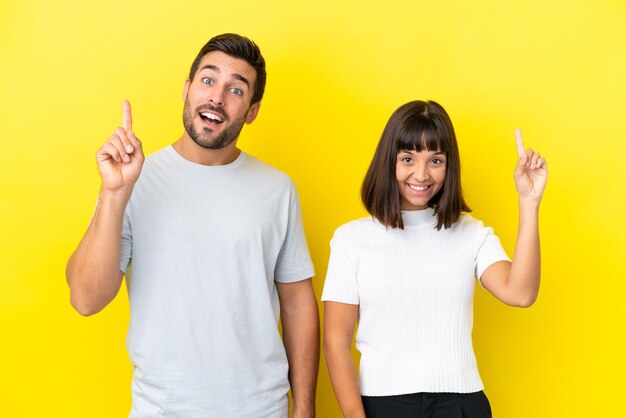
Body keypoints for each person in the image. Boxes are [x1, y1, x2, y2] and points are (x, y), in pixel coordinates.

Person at [66, 33, 319, 418]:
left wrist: (304, 409)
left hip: (260, 409)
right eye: (207, 80)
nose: (217, 96)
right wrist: (114, 193)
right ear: (187, 89)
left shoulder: (277, 189)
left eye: (236, 89)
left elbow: (298, 303)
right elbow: (86, 299)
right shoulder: (135, 180)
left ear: (252, 110)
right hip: (162, 410)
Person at [322, 100, 547, 418]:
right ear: (390, 161)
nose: (421, 174)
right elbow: (335, 343)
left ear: (449, 165)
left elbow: (521, 293)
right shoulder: (350, 240)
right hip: (382, 406)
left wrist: (529, 202)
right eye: (408, 158)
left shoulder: (471, 234)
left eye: (436, 160)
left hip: (461, 404)